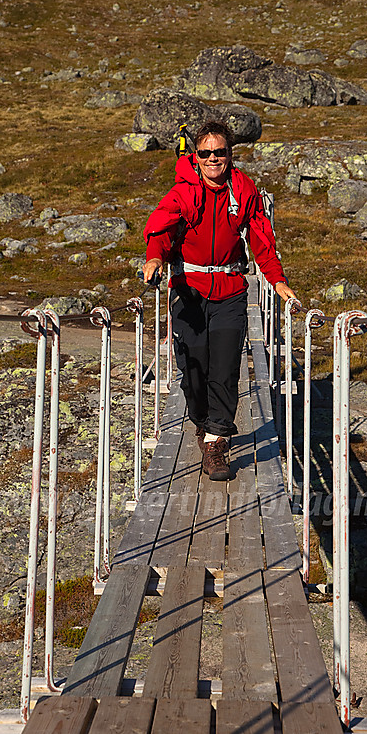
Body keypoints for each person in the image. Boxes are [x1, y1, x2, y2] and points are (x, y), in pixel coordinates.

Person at [142, 120, 297, 481]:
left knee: (226, 367)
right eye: (205, 153)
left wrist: (276, 280)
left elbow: (260, 237)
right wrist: (154, 258)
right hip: (188, 290)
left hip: (230, 288)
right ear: (195, 158)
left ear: (230, 154)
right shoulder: (182, 192)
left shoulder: (243, 190)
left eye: (220, 152)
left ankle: (216, 441)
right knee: (193, 368)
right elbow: (162, 230)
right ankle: (201, 421)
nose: (213, 158)